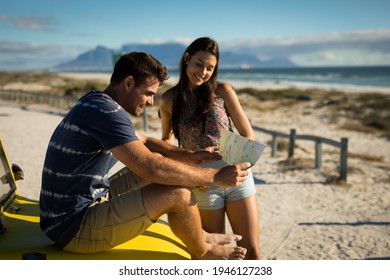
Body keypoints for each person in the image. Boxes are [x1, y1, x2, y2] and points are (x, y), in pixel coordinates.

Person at [39, 52, 250, 260]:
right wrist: (215, 177)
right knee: (179, 193)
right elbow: (151, 167)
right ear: (129, 83)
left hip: (75, 208)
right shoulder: (108, 113)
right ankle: (204, 251)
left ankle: (201, 235)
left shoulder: (97, 102)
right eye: (149, 93)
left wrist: (191, 155)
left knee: (169, 165)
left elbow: (147, 142)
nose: (151, 102)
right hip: (72, 227)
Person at [159, 37, 260, 259]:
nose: (203, 72)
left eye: (209, 68)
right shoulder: (168, 100)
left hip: (237, 175)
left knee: (251, 252)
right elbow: (166, 142)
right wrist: (187, 172)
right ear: (187, 59)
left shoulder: (222, 90)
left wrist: (241, 166)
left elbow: (247, 133)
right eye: (199, 64)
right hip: (203, 181)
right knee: (216, 255)